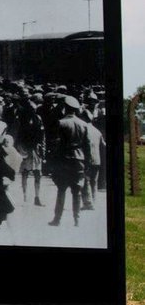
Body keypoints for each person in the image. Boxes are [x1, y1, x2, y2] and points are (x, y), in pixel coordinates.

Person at [49, 95, 93, 227]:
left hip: (63, 159)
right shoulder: (84, 125)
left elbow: (56, 145)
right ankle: (76, 220)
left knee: (61, 190)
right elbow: (88, 146)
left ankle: (57, 219)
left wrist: (53, 163)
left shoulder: (60, 123)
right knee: (77, 192)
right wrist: (87, 163)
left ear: (65, 108)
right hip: (79, 160)